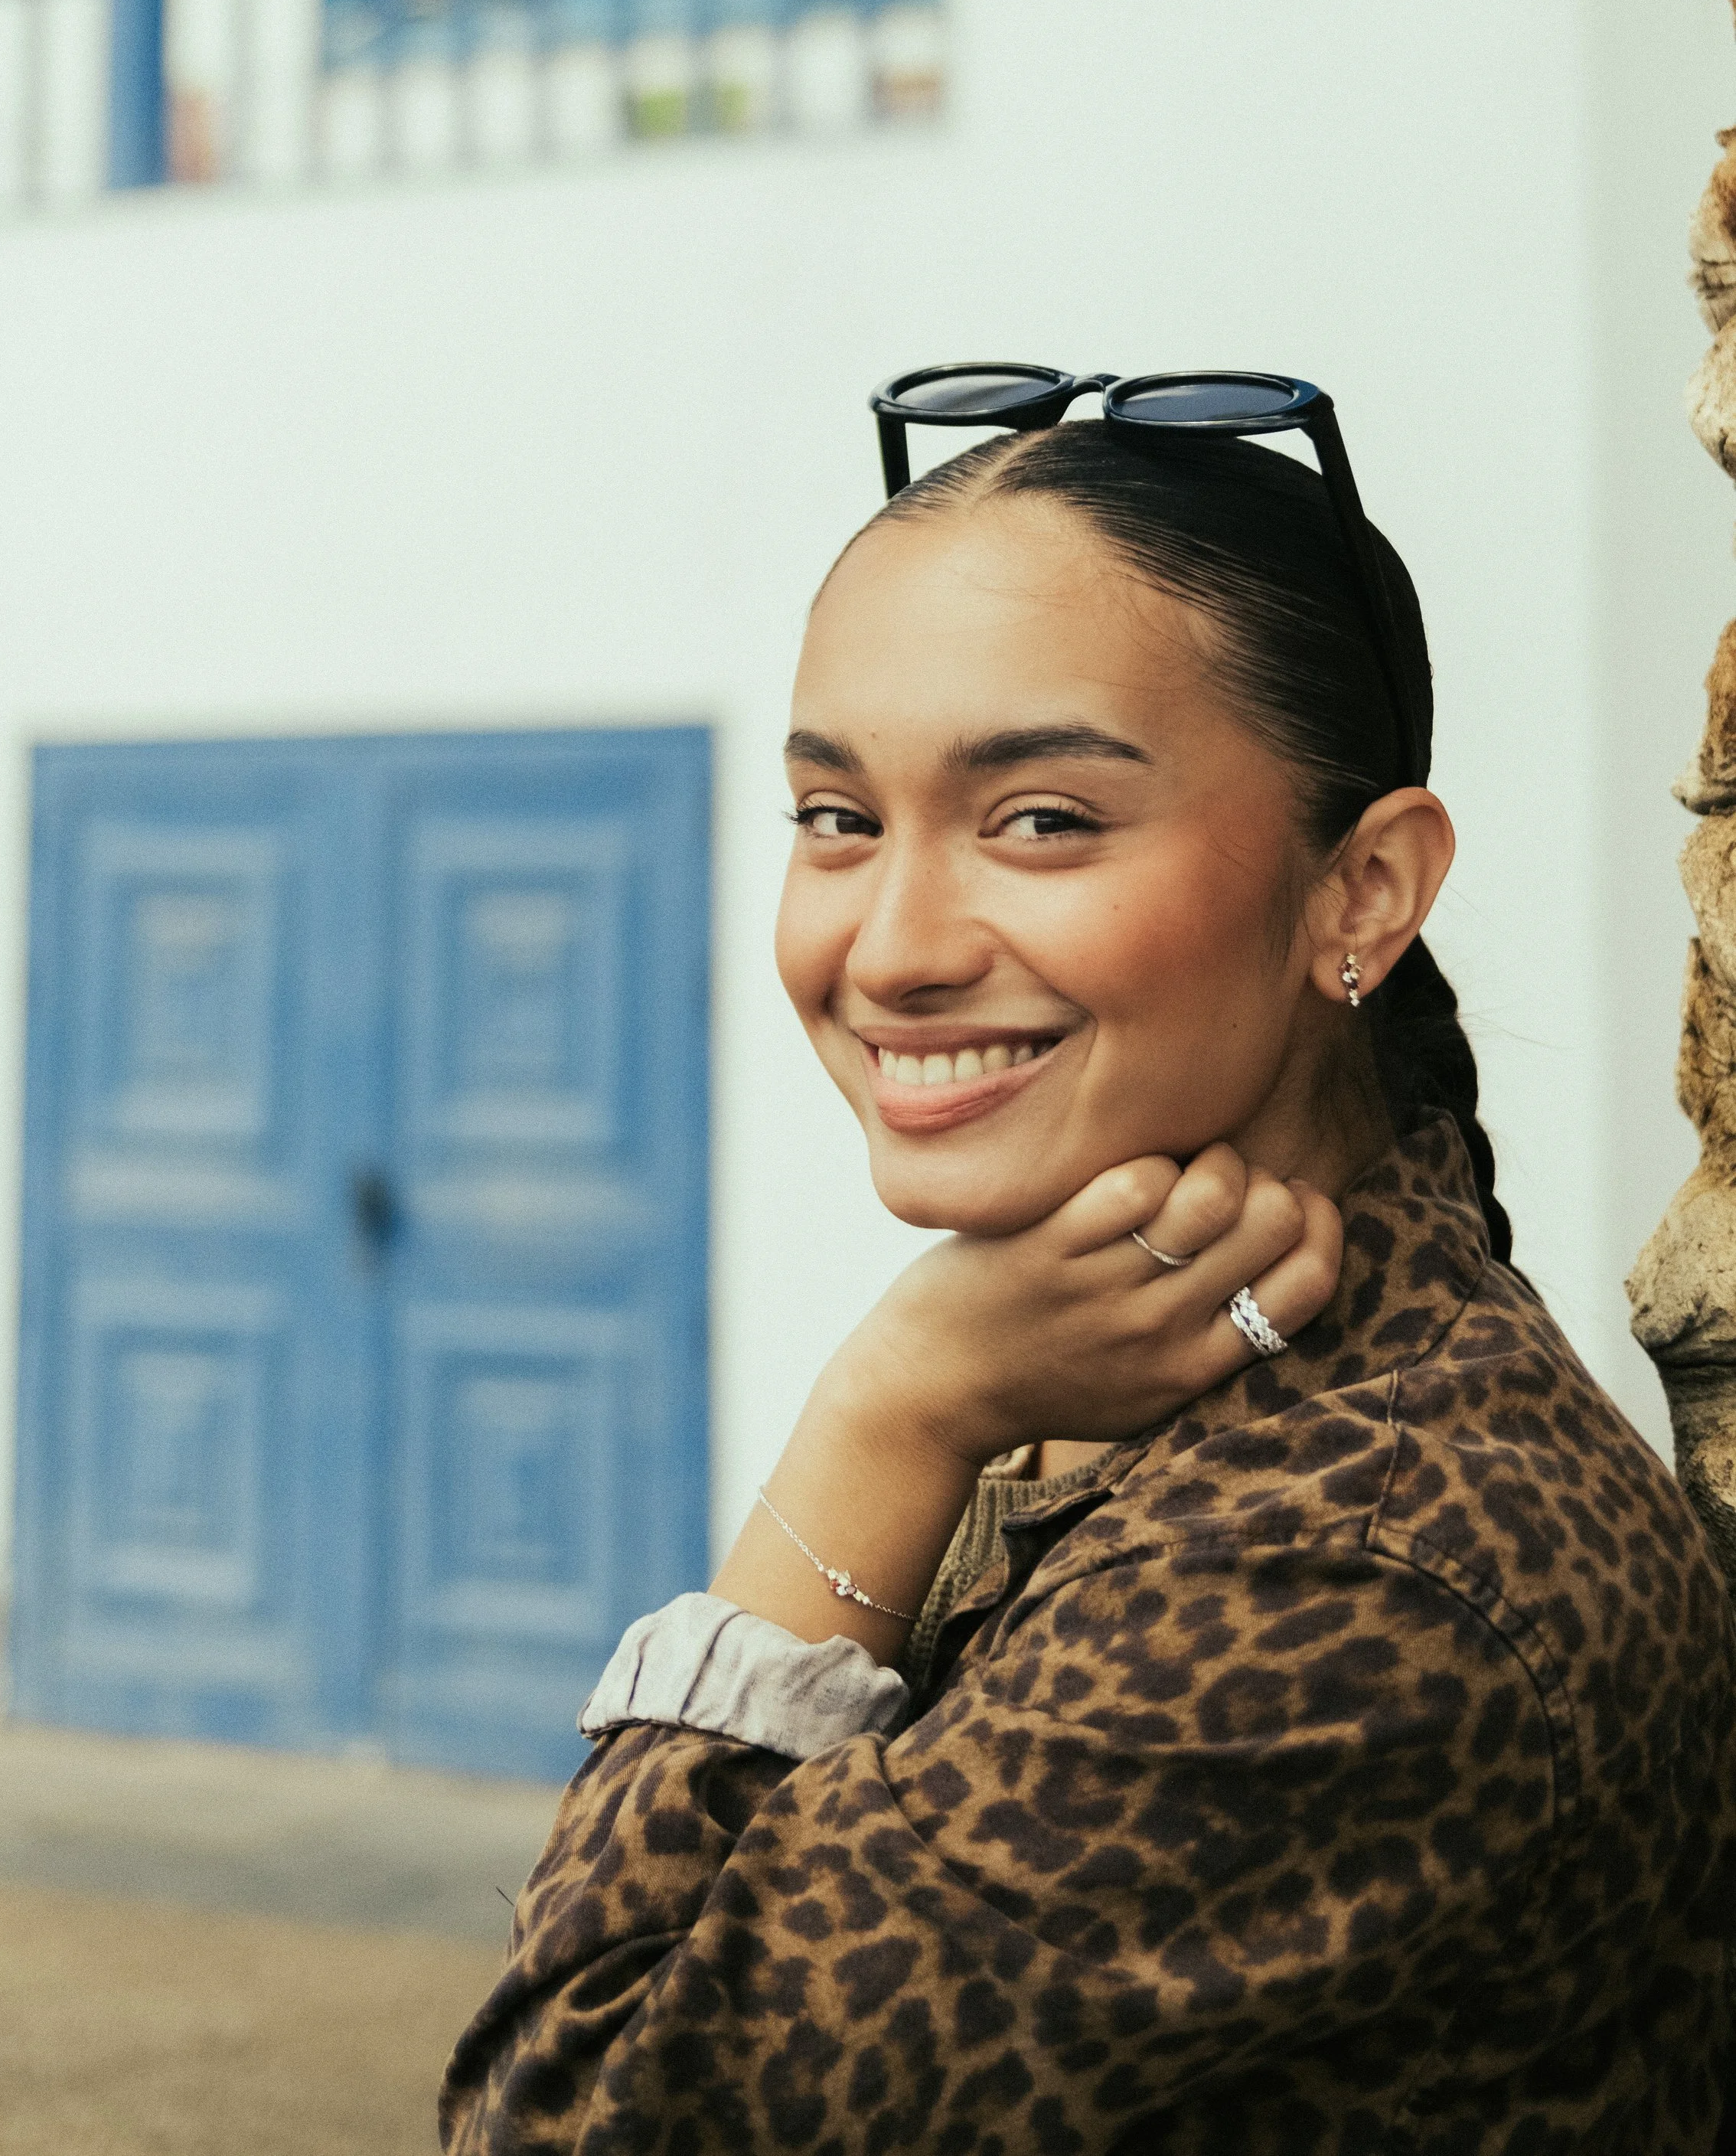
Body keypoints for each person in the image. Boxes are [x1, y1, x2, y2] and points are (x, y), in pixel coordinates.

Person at [441, 380, 1736, 2154]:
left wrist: (886, 1418)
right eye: (835, 817)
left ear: (1360, 891)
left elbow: (582, 2119)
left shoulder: (1353, 1566)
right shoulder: (1133, 1359)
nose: (887, 948)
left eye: (1040, 818)